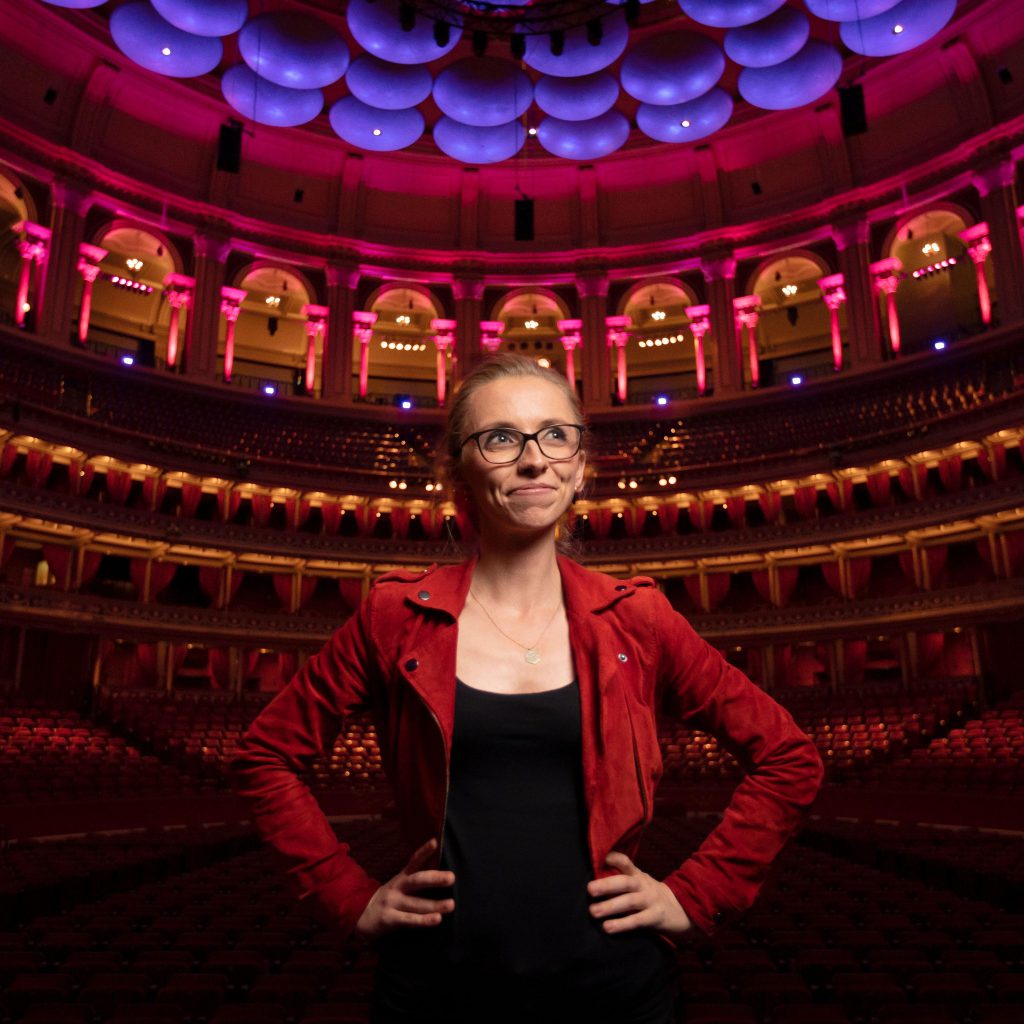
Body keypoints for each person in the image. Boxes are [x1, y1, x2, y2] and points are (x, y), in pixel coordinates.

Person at [230, 354, 824, 1023]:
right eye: (501, 438)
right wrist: (347, 894)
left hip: (616, 990)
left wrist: (695, 893)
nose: (534, 460)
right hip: (435, 989)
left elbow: (788, 756)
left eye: (555, 435)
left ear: (579, 467)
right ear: (458, 472)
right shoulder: (393, 616)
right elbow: (267, 755)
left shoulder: (639, 617)